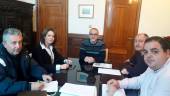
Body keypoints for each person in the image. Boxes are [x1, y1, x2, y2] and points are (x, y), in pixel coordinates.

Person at [0, 28, 52, 96]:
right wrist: (29, 86)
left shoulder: (23, 51)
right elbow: (3, 87)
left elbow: (33, 65)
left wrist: (42, 75)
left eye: (20, 42)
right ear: (4, 44)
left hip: (23, 91)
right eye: (14, 43)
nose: (18, 46)